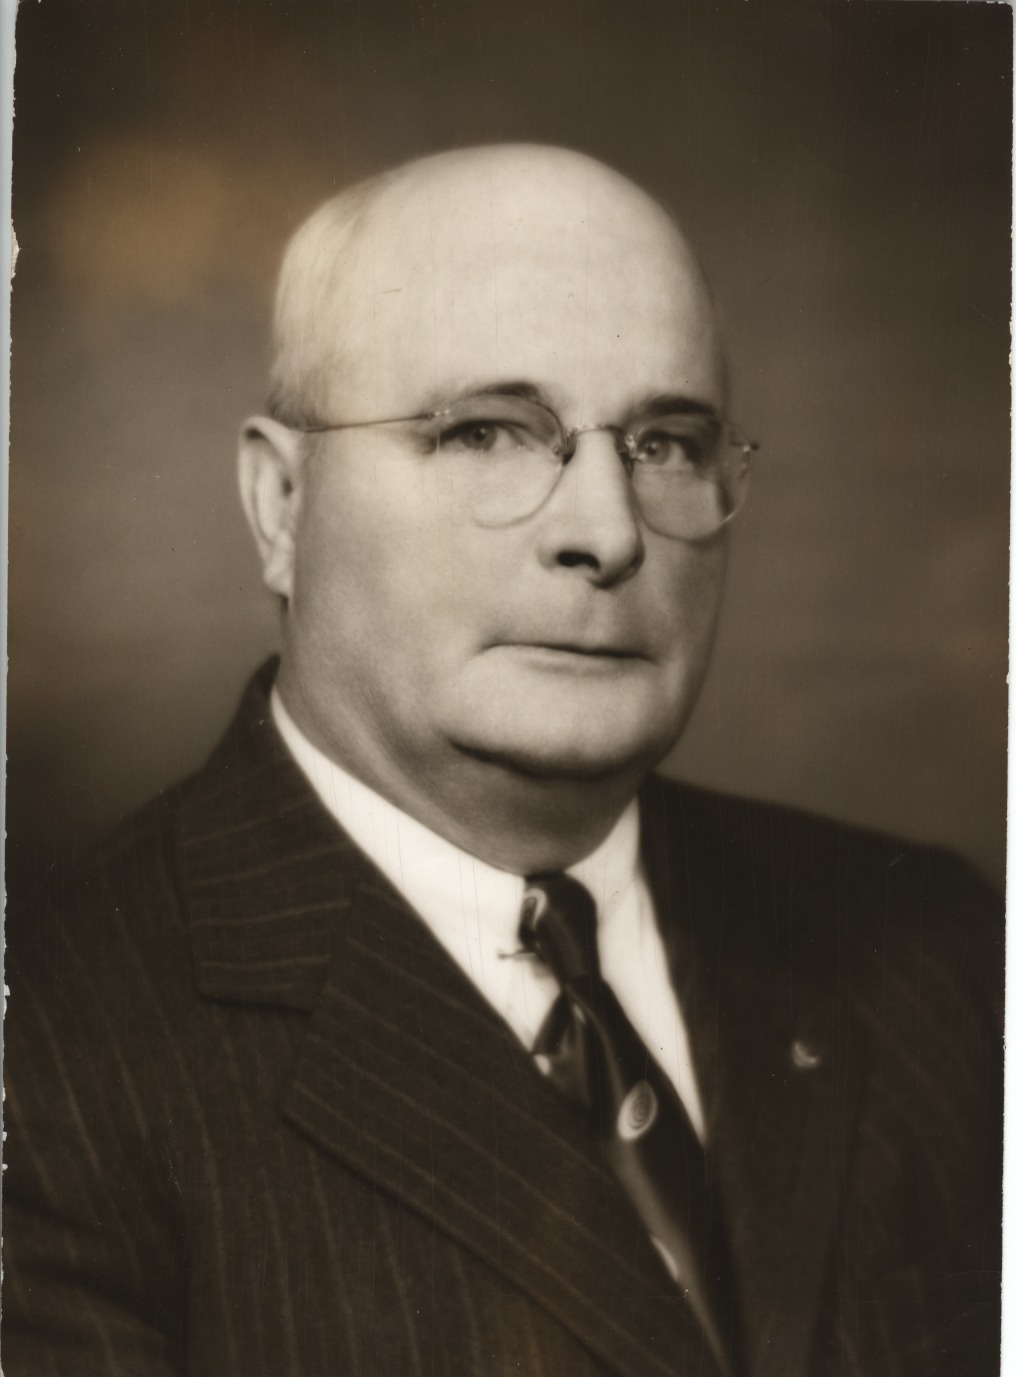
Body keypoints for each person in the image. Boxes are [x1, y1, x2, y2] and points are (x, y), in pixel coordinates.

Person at [3, 144, 1002, 1377]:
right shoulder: (46, 1062)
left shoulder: (933, 954)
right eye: (486, 433)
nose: (605, 533)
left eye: (664, 443)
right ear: (280, 505)